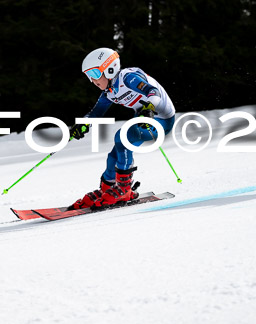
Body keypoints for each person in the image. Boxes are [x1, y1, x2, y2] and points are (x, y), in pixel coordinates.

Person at [69, 47, 176, 209]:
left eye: (96, 74)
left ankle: (124, 188)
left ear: (110, 69)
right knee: (114, 154)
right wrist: (82, 124)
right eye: (89, 77)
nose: (93, 81)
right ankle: (108, 188)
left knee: (122, 137)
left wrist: (149, 108)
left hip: (161, 119)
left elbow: (152, 91)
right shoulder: (109, 91)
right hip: (142, 118)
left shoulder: (128, 78)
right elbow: (96, 112)